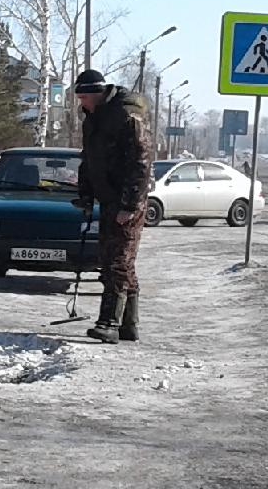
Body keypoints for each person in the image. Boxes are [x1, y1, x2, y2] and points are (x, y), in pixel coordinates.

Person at [73, 69, 152, 344]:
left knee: (118, 261)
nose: (81, 103)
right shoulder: (94, 119)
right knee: (117, 262)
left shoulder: (127, 116)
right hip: (108, 198)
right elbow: (89, 160)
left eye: (84, 97)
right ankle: (129, 325)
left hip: (127, 201)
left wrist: (130, 204)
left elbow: (141, 164)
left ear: (97, 93)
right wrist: (85, 194)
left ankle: (109, 322)